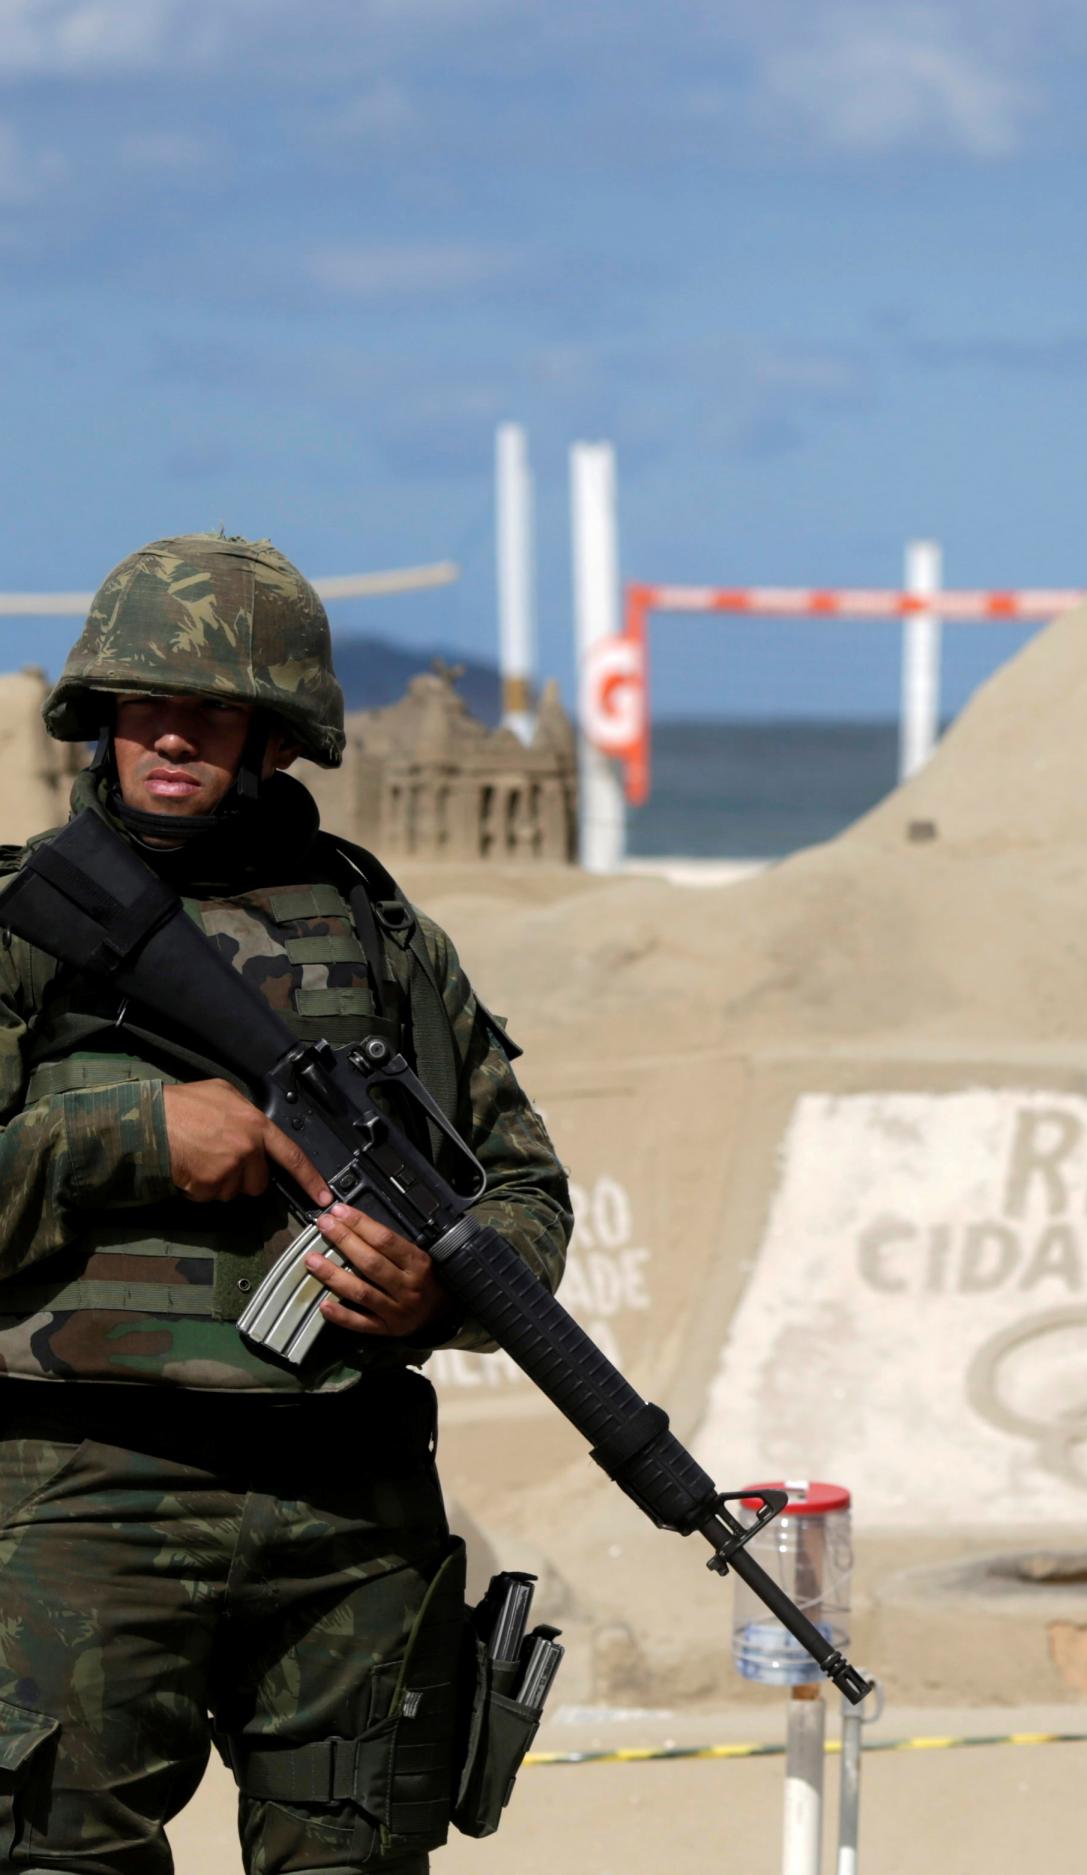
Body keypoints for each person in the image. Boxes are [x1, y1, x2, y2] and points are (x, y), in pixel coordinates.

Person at [0, 534, 570, 1872]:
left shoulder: (381, 939)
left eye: (209, 709)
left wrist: (438, 1290)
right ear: (97, 715)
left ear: (279, 736)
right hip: (85, 1496)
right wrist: (132, 1135)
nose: (171, 736)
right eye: (143, 703)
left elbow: (523, 1184)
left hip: (347, 1508)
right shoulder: (24, 929)